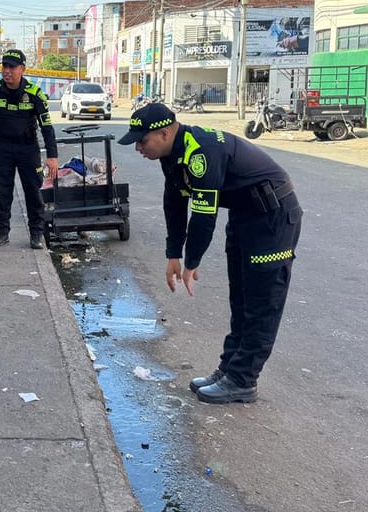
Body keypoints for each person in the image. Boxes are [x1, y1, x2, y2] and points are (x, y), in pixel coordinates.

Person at [118, 103, 303, 405]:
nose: (138, 147)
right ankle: (229, 369)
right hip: (245, 216)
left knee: (261, 303)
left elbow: (203, 217)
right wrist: (173, 253)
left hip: (272, 219)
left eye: (143, 140)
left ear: (164, 133)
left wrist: (192, 262)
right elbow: (174, 203)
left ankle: (243, 380)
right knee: (240, 299)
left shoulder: (200, 153)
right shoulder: (172, 153)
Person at [0, 49, 58, 250]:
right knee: (2, 191)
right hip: (2, 149)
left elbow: (47, 127)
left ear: (22, 69)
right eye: (4, 66)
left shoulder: (34, 93)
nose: (7, 71)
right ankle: (2, 233)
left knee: (33, 192)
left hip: (28, 149)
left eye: (12, 67)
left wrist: (52, 156)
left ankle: (36, 234)